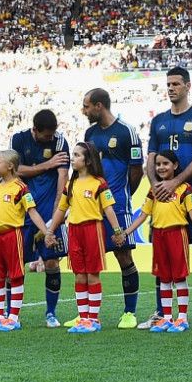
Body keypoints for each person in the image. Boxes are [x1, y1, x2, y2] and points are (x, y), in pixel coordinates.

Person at [147, 67, 192, 325]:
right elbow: (150, 159)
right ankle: (163, 313)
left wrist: (175, 182)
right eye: (168, 84)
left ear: (188, 86)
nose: (171, 88)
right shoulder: (158, 121)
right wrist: (157, 185)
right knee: (162, 254)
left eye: (176, 83)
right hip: (162, 200)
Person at [115, 149, 192, 332]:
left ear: (175, 166)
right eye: (158, 164)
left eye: (165, 163)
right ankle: (167, 317)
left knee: (179, 276)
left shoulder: (184, 188)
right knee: (164, 277)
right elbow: (143, 215)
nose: (161, 167)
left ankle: (182, 318)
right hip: (159, 235)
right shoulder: (154, 190)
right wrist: (126, 232)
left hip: (177, 234)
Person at [41, 141, 126, 333]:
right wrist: (50, 231)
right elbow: (61, 210)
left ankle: (93, 319)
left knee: (92, 274)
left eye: (78, 155)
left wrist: (118, 231)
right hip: (74, 231)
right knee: (79, 275)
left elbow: (108, 209)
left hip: (93, 230)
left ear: (88, 160)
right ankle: (83, 317)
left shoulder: (99, 183)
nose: (73, 158)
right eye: (74, 154)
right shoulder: (70, 184)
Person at [79, 86, 143, 328]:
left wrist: (122, 195)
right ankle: (85, 314)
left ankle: (129, 312)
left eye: (86, 106)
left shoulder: (127, 132)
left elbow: (136, 170)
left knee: (123, 254)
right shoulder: (90, 133)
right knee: (87, 260)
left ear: (99, 106)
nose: (83, 110)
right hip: (91, 207)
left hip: (118, 206)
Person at [0, 150, 53, 331]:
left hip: (13, 236)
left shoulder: (20, 188)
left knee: (15, 276)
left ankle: (13, 317)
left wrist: (47, 232)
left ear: (10, 166)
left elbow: (32, 212)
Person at [11, 108, 71, 326]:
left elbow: (63, 174)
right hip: (21, 211)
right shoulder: (18, 139)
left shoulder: (59, 141)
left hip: (48, 210)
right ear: (35, 130)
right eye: (46, 135)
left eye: (52, 134)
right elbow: (15, 171)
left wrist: (58, 208)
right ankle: (11, 314)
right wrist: (46, 165)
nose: (50, 138)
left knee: (53, 262)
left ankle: (51, 313)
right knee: (16, 264)